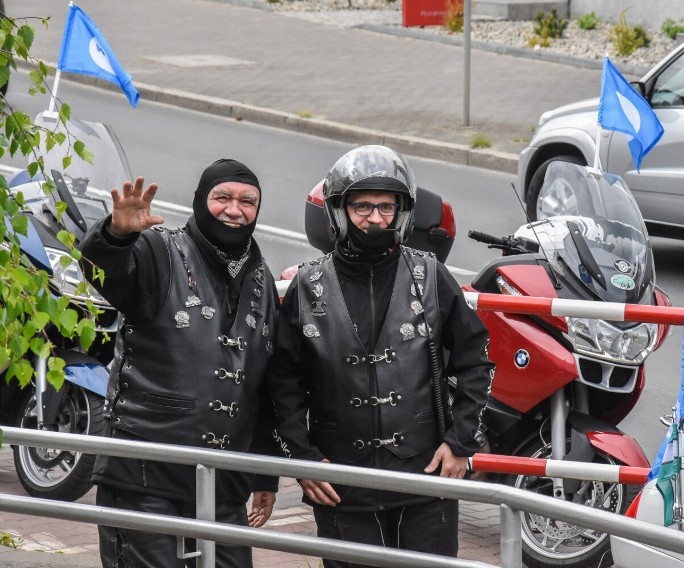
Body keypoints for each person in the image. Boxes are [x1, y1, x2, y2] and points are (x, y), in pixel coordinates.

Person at [269, 145, 494, 567]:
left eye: (386, 207)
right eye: (362, 206)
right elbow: (283, 384)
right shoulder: (306, 284)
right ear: (339, 210)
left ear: (402, 211)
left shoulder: (431, 275)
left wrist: (461, 442)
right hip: (341, 481)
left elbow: (477, 360)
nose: (375, 218)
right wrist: (302, 458)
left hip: (427, 475)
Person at [79, 159, 280, 568]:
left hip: (223, 482)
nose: (234, 209)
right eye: (222, 197)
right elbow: (106, 273)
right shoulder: (159, 249)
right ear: (201, 201)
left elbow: (263, 384)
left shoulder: (261, 278)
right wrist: (116, 236)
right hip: (145, 476)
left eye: (248, 201)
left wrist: (263, 475)